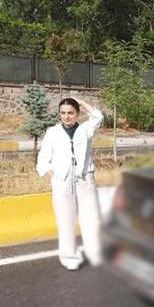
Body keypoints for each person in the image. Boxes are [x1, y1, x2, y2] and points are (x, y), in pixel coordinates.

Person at [36, 97, 104, 270]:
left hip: (85, 178)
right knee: (66, 220)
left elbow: (98, 117)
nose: (66, 116)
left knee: (91, 218)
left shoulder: (85, 129)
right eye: (63, 113)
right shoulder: (53, 132)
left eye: (71, 113)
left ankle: (95, 253)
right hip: (62, 180)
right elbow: (43, 159)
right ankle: (69, 257)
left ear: (77, 113)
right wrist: (52, 174)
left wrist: (80, 101)